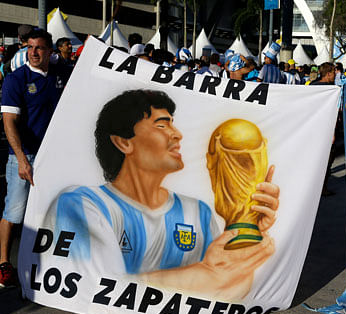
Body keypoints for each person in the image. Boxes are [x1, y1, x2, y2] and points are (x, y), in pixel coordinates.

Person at [44, 89, 279, 300]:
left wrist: (245, 228)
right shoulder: (82, 205)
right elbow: (97, 288)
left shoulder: (197, 212)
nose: (177, 134)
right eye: (162, 125)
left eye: (173, 124)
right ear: (123, 142)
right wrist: (205, 275)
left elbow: (225, 289)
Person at [0, 29, 72, 287]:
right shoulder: (15, 80)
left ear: (50, 51)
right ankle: (4, 264)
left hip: (53, 157)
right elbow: (9, 124)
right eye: (30, 47)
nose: (33, 52)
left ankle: (48, 264)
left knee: (51, 213)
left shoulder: (62, 74)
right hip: (25, 156)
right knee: (14, 212)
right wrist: (21, 159)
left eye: (40, 48)